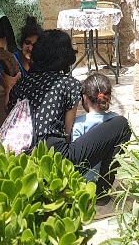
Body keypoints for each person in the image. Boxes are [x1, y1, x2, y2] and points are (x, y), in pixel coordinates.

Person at [8, 31, 131, 202]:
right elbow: (68, 133)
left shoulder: (22, 84)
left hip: (23, 160)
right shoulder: (69, 84)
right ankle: (101, 191)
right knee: (121, 125)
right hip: (57, 161)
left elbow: (10, 115)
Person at [71, 72, 120, 186]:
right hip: (105, 178)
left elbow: (75, 156)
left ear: (84, 98)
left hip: (83, 182)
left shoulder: (79, 124)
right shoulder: (115, 120)